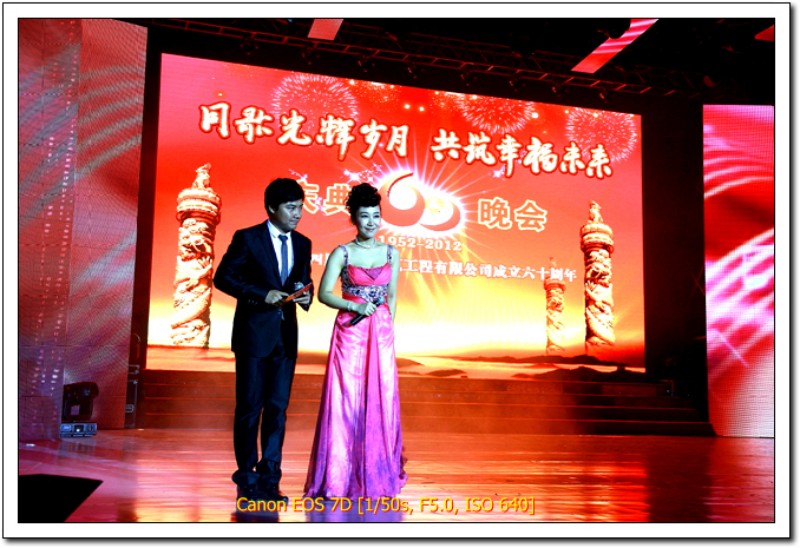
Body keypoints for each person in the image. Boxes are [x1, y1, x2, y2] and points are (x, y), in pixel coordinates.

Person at [213, 177, 313, 503]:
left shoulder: (303, 243)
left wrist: (305, 295)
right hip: (254, 336)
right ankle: (246, 472)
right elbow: (223, 277)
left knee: (278, 410)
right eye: (291, 207)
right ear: (272, 207)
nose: (298, 214)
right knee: (249, 407)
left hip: (286, 337)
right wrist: (261, 293)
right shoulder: (248, 238)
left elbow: (303, 280)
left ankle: (271, 475)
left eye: (300, 207)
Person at [304, 183, 407, 499]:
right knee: (346, 399)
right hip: (350, 331)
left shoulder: (391, 253)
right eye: (365, 216)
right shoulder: (343, 253)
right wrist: (355, 307)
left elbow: (392, 296)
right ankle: (340, 477)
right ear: (354, 218)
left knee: (382, 399)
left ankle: (377, 472)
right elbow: (324, 294)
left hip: (381, 333)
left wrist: (387, 328)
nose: (371, 222)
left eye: (376, 215)